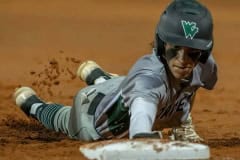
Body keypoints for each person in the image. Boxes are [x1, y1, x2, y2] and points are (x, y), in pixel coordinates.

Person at [13, 0, 217, 142]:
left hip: (124, 87)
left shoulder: (204, 66)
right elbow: (140, 130)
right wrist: (143, 138)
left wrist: (180, 122)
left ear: (204, 52)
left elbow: (195, 83)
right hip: (93, 120)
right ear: (162, 44)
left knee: (168, 84)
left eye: (192, 53)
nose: (183, 60)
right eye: (175, 49)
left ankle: (100, 77)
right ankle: (35, 106)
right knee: (65, 120)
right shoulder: (148, 83)